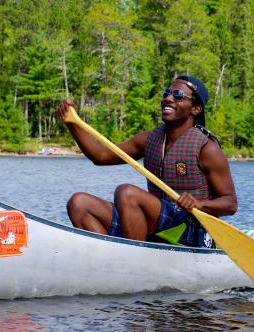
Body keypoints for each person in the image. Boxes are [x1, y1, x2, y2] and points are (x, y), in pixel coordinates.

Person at [54, 75, 238, 247]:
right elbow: (100, 156)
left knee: (126, 193)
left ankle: (136, 260)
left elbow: (230, 203)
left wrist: (199, 204)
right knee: (79, 204)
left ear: (196, 108)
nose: (168, 98)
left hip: (190, 230)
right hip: (157, 225)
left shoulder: (207, 148)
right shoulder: (149, 139)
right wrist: (72, 123)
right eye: (166, 93)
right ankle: (110, 259)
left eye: (178, 95)